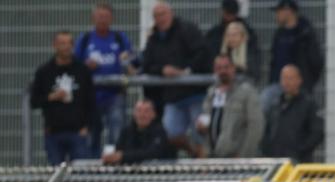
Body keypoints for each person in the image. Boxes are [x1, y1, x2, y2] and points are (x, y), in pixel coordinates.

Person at [142, 2, 211, 156]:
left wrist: (185, 71)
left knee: (200, 134)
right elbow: (146, 64)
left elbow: (203, 52)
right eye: (157, 16)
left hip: (195, 94)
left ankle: (204, 170)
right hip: (173, 97)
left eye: (163, 14)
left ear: (171, 14)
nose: (161, 18)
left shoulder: (187, 29)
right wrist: (162, 70)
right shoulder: (153, 38)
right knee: (170, 134)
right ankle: (192, 152)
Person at [75, 2, 135, 158]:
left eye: (106, 17)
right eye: (99, 16)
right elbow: (75, 65)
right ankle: (90, 169)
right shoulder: (86, 39)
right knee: (91, 135)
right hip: (91, 97)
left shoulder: (119, 38)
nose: (102, 20)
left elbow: (132, 62)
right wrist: (85, 66)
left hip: (115, 94)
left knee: (116, 133)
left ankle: (115, 166)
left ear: (112, 19)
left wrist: (127, 60)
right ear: (93, 18)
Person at [30, 31, 95, 165]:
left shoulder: (82, 70)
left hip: (78, 132)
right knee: (56, 174)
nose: (66, 47)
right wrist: (51, 97)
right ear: (54, 45)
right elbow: (34, 101)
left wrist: (87, 127)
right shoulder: (44, 72)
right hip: (53, 132)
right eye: (62, 43)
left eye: (68, 43)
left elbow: (91, 101)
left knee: (80, 173)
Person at [262, 0, 324, 113]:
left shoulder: (305, 33)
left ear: (288, 11)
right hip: (278, 85)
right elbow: (274, 61)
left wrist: (305, 83)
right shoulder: (279, 34)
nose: (277, 16)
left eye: (278, 12)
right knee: (265, 105)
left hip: (300, 88)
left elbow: (316, 61)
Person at [197, 54, 263, 158]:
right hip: (213, 158)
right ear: (214, 70)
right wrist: (200, 127)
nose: (223, 71)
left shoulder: (247, 92)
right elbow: (206, 124)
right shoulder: (211, 93)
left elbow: (256, 126)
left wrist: (243, 155)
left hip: (236, 158)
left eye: (226, 67)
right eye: (219, 68)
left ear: (233, 68)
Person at [261, 64, 324, 163]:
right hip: (276, 162)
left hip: (299, 162)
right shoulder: (275, 105)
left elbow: (317, 132)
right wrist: (268, 150)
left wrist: (300, 149)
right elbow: (267, 131)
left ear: (299, 80)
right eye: (284, 78)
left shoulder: (308, 104)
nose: (286, 82)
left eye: (290, 78)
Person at [103, 99, 174, 165]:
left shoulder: (160, 131)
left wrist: (123, 156)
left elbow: (154, 153)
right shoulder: (126, 131)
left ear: (154, 114)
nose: (142, 115)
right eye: (139, 110)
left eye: (146, 111)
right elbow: (118, 151)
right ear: (134, 113)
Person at [205, 0, 261, 83]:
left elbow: (253, 71)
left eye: (235, 35)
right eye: (229, 35)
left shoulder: (250, 40)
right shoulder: (214, 34)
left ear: (243, 38)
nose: (232, 38)